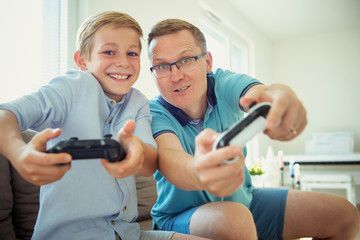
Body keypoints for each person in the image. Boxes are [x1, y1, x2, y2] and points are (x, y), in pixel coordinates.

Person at [0, 12, 209, 240]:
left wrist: (137, 153)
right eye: (109, 52)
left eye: (132, 53)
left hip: (127, 234)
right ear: (82, 60)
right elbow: (5, 114)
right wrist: (19, 154)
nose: (123, 62)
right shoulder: (71, 88)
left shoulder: (138, 102)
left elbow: (149, 164)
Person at [147, 18, 360, 240]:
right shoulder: (153, 112)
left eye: (187, 59)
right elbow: (169, 154)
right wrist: (198, 170)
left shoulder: (223, 83)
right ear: (153, 73)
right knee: (234, 219)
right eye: (161, 66)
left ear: (207, 61)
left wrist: (281, 97)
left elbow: (262, 93)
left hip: (245, 201)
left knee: (345, 214)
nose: (175, 76)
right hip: (181, 216)